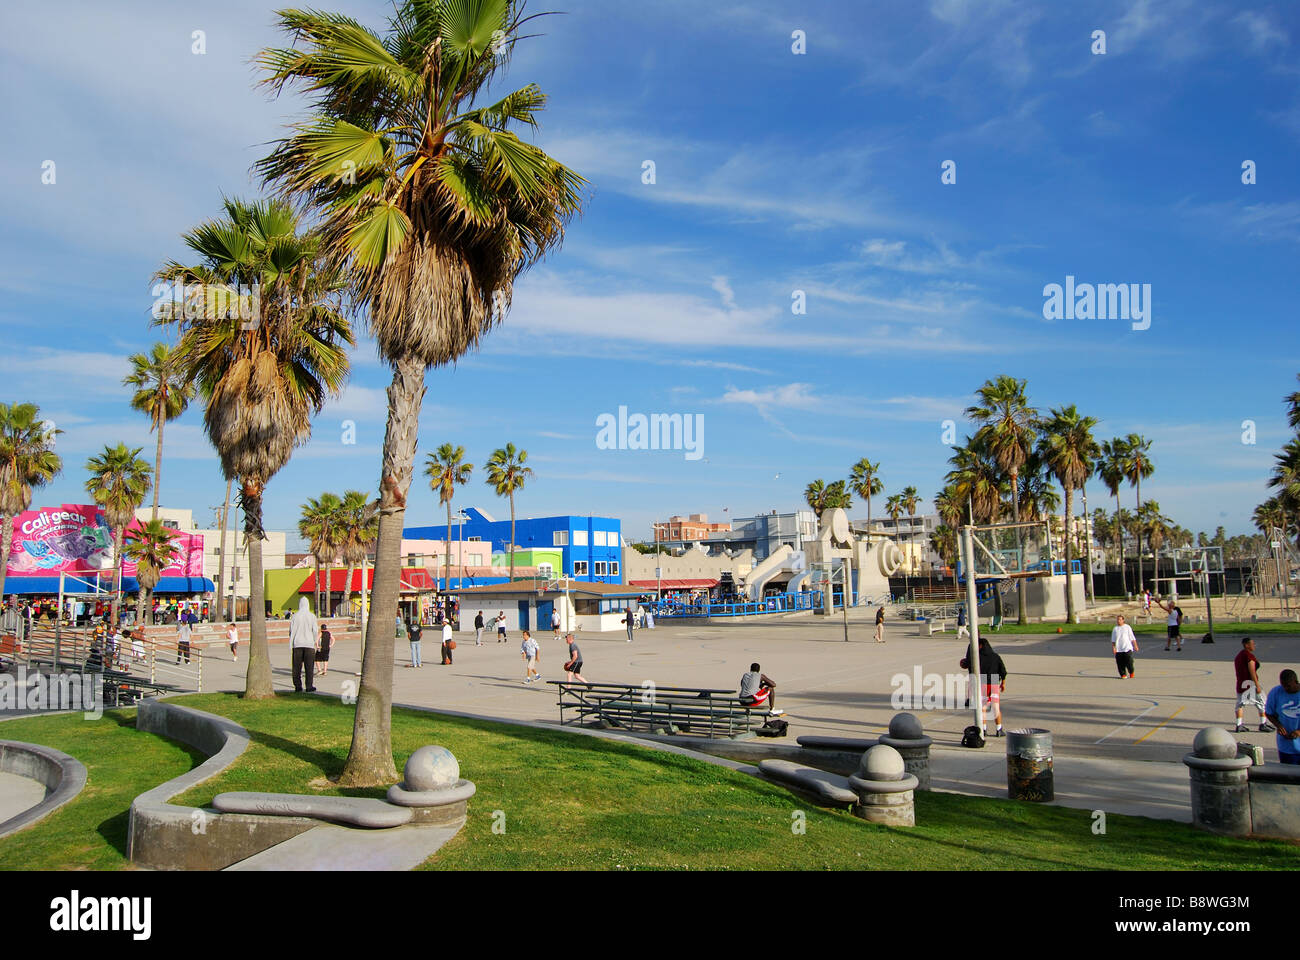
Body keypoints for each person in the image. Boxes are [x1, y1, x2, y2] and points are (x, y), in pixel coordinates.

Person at [961, 636, 1007, 737]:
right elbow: (1003, 670)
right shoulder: (995, 656)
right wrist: (1003, 682)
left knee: (983, 708)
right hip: (994, 681)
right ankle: (999, 729)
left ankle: (984, 729)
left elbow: (971, 669)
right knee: (996, 707)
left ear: (981, 646)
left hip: (982, 682)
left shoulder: (977, 658)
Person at [1233, 637, 1273, 733]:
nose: (1254, 645)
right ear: (1246, 645)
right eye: (1252, 644)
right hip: (1250, 684)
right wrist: (1257, 685)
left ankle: (1239, 725)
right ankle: (1263, 724)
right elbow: (1252, 672)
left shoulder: (1238, 656)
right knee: (1262, 703)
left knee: (1240, 704)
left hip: (1241, 684)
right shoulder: (1249, 656)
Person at [1265, 670, 1300, 765]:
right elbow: (1269, 712)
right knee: (1289, 776)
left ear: (1296, 682)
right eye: (1283, 685)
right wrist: (1279, 726)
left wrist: (1298, 732)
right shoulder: (1276, 692)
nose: (1285, 688)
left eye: (1288, 685)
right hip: (1286, 747)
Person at [290, 596, 319, 692]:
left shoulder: (295, 616)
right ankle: (309, 686)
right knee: (309, 667)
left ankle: (298, 686)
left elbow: (291, 631)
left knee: (296, 667)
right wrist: (314, 641)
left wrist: (292, 640)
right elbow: (315, 631)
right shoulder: (312, 616)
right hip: (309, 644)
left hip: (297, 644)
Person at [1111, 613, 1138, 679]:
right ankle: (1123, 674)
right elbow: (1113, 640)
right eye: (1117, 620)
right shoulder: (1115, 628)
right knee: (1120, 663)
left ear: (1123, 620)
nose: (1118, 621)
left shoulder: (1127, 627)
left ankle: (1131, 671)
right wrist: (1114, 648)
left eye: (1120, 619)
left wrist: (1135, 646)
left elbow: (1132, 637)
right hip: (1119, 649)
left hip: (1127, 647)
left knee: (1129, 661)